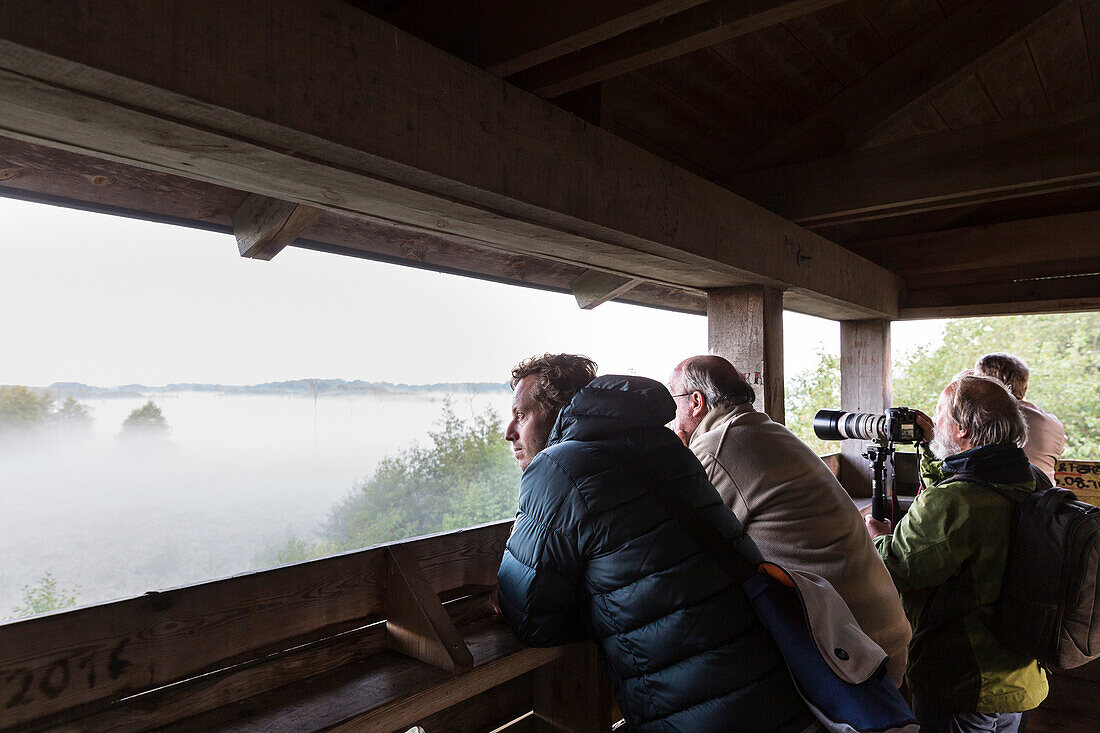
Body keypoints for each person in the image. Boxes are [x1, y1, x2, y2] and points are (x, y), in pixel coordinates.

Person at [498, 354, 816, 733]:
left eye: (521, 414)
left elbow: (530, 618)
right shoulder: (663, 445)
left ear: (556, 411)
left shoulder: (556, 466)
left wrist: (521, 539)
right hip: (773, 688)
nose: (508, 430)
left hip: (694, 713)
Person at [668, 355, 911, 684]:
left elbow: (682, 552)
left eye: (673, 400)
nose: (670, 418)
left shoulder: (717, 448)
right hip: (882, 631)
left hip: (849, 651)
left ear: (696, 401)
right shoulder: (769, 431)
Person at [866, 374, 1048, 733]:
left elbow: (895, 568)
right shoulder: (1029, 478)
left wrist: (876, 538)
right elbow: (957, 498)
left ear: (962, 429)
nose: (933, 424)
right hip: (1020, 677)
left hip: (963, 682)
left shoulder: (957, 502)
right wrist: (936, 447)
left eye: (940, 415)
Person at [975, 352, 1065, 485]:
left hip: (1006, 501)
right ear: (1025, 385)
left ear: (987, 384)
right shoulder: (1053, 422)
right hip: (1045, 500)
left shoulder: (985, 417)